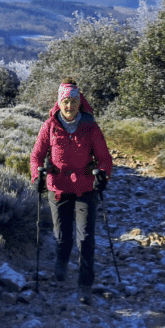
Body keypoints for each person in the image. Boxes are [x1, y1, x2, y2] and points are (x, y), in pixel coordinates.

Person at [29, 78, 113, 304]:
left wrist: (103, 176)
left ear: (79, 102)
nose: (69, 106)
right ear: (59, 103)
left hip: (85, 186)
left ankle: (85, 284)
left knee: (86, 238)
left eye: (73, 101)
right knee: (62, 236)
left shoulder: (90, 127)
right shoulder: (49, 126)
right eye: (65, 101)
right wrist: (37, 177)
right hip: (58, 187)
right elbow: (36, 156)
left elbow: (104, 158)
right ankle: (61, 261)